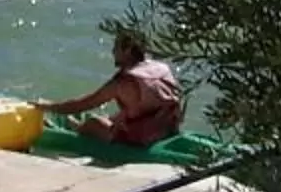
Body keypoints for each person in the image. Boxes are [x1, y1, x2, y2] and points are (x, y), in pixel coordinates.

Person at [42, 28, 184, 148]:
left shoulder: (123, 82)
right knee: (114, 117)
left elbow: (82, 105)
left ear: (127, 50)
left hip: (143, 139)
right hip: (168, 128)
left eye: (116, 47)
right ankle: (79, 124)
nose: (113, 51)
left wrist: (46, 106)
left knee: (93, 123)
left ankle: (75, 128)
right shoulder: (161, 67)